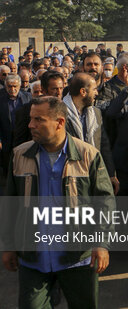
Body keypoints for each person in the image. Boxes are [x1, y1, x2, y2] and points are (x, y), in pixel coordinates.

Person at [0, 96, 114, 308]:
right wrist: (7, 245)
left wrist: (101, 243)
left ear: (60, 122)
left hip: (77, 256)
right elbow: (10, 205)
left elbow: (105, 202)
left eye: (38, 120)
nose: (31, 125)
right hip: (33, 256)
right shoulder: (20, 155)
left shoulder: (87, 155)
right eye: (31, 119)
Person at [63, 73, 118, 194]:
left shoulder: (96, 114)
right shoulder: (60, 113)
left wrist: (110, 173)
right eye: (94, 89)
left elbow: (103, 145)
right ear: (83, 91)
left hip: (93, 173)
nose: (97, 93)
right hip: (69, 177)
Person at [13, 71, 65, 147]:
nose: (59, 92)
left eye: (61, 88)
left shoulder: (66, 108)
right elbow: (19, 142)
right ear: (44, 90)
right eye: (54, 89)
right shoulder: (26, 111)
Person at [0, 74, 31, 185]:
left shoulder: (27, 97)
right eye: (9, 86)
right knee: (7, 164)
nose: (12, 89)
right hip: (5, 137)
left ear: (19, 85)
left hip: (23, 137)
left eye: (15, 86)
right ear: (5, 86)